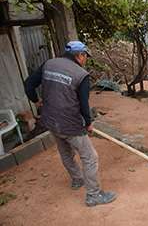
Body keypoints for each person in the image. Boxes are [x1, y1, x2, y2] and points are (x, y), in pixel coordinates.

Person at [24, 41, 117, 207]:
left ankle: (77, 179)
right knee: (90, 157)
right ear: (79, 55)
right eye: (85, 56)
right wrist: (88, 123)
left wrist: (36, 101)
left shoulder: (49, 64)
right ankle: (93, 196)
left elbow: (28, 84)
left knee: (65, 152)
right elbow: (83, 104)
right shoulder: (81, 74)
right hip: (70, 124)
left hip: (50, 120)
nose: (86, 59)